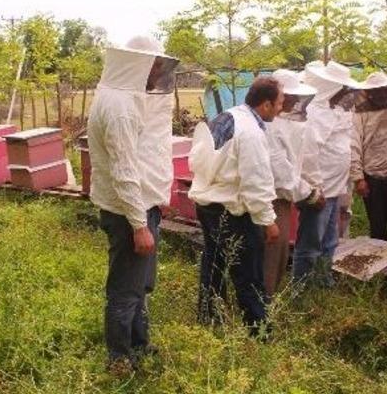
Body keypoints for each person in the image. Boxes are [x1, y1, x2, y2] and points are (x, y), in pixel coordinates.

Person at [87, 36, 180, 375]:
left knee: (140, 285)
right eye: (155, 66)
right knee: (125, 289)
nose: (158, 73)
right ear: (137, 65)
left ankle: (140, 345)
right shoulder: (120, 107)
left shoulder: (122, 99)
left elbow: (146, 154)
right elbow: (124, 169)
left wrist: (158, 199)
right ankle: (119, 359)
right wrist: (139, 225)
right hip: (129, 213)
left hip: (139, 206)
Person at [189, 76, 283, 335]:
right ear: (265, 105)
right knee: (249, 275)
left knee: (214, 265)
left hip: (208, 206)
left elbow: (195, 159)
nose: (281, 108)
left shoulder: (226, 117)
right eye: (279, 103)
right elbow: (256, 181)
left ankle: (210, 322)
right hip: (232, 213)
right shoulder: (250, 132)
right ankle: (260, 333)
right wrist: (268, 220)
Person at [292, 61, 360, 288]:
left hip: (333, 189)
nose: (346, 95)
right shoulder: (316, 114)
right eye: (343, 89)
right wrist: (315, 188)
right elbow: (309, 155)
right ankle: (301, 287)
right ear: (332, 89)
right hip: (319, 191)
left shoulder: (334, 112)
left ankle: (323, 281)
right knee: (311, 242)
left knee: (329, 241)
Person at [264, 69, 317, 296]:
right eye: (290, 96)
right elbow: (282, 172)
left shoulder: (281, 123)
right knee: (271, 255)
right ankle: (261, 310)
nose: (295, 101)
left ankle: (266, 303)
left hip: (281, 199)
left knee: (279, 254)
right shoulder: (269, 126)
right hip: (270, 199)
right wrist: (310, 194)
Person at [351, 72, 387, 243]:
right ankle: (381, 266)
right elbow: (354, 145)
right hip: (373, 178)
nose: (381, 94)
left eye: (384, 90)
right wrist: (358, 178)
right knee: (378, 226)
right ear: (368, 92)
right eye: (377, 91)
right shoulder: (359, 113)